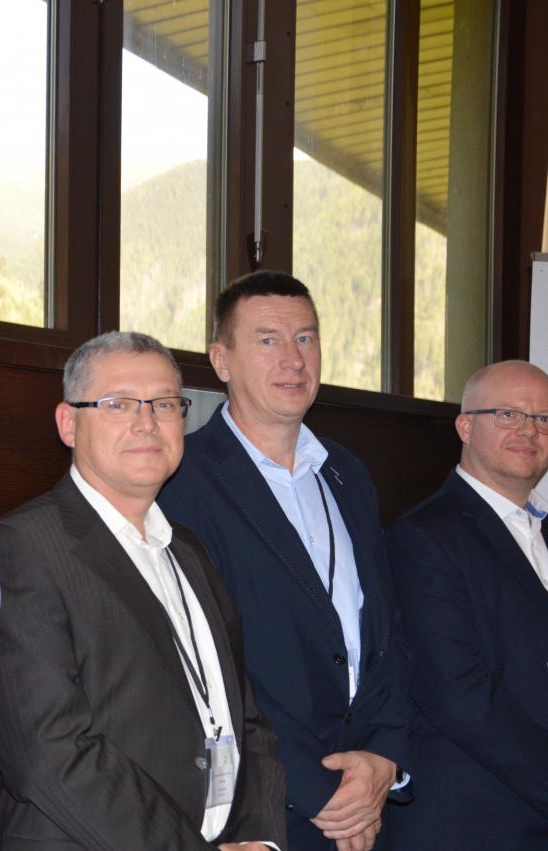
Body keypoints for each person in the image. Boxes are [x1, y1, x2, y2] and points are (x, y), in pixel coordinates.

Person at [0, 331, 286, 850]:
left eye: (164, 404)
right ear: (68, 423)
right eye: (118, 404)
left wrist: (262, 838)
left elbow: (246, 719)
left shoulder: (187, 550)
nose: (147, 423)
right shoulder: (19, 549)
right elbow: (47, 752)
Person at [160, 271, 411, 851]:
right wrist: (320, 792)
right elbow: (201, 665)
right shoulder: (182, 481)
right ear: (221, 360)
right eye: (268, 339)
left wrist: (384, 758)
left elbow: (387, 633)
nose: (293, 359)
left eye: (306, 338)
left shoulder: (347, 473)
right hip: (265, 814)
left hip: (369, 803)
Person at [387, 360, 548, 847]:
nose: (529, 430)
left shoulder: (541, 531)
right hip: (472, 822)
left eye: (543, 418)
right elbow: (459, 695)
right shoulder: (423, 537)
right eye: (507, 414)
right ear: (465, 427)